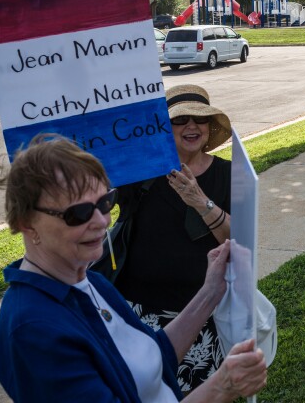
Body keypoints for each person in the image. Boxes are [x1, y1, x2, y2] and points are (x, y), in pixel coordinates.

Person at [0, 134, 267, 403]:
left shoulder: (89, 280)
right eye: (79, 213)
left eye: (105, 202)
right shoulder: (34, 330)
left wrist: (210, 292)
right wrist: (221, 388)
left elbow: (152, 355)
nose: (101, 222)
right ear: (26, 222)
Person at [99, 84, 235, 393]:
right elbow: (99, 195)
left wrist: (200, 201)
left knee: (198, 394)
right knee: (144, 393)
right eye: (180, 119)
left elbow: (237, 239)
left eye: (199, 119)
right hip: (138, 311)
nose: (191, 126)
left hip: (200, 311)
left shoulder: (228, 173)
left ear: (209, 126)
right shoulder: (141, 172)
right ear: (163, 126)